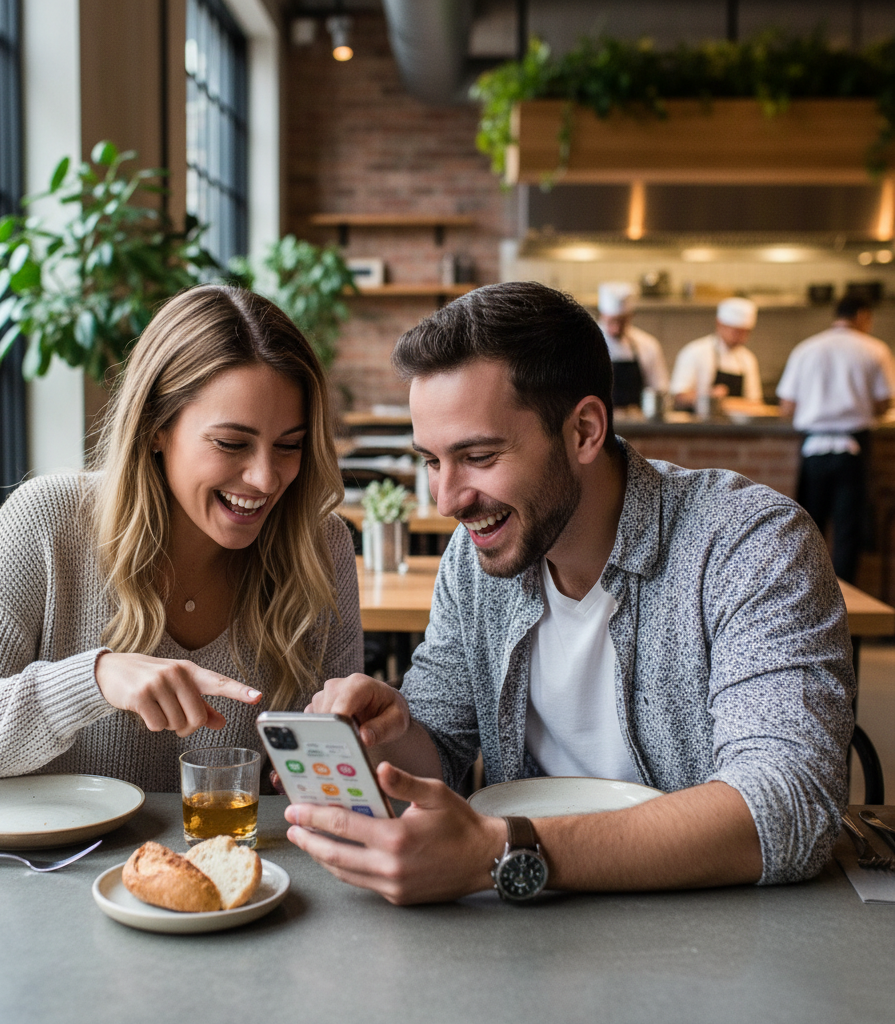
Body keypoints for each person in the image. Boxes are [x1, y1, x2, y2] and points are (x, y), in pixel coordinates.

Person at [285, 281, 853, 905]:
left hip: (710, 931)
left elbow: (789, 804)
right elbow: (438, 749)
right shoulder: (475, 560)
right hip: (530, 933)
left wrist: (502, 851)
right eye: (431, 460)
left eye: (477, 455)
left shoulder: (748, 545)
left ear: (584, 430)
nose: (447, 500)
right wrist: (389, 732)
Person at [0, 285, 363, 793]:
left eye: (289, 446)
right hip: (48, 871)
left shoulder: (320, 546)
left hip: (244, 868)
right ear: (157, 426)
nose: (267, 479)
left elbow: (331, 780)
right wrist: (92, 680)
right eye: (231, 443)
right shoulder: (49, 521)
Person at [776, 294, 895, 583]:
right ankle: (846, 603)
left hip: (813, 446)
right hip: (854, 446)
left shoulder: (806, 348)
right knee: (848, 530)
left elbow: (786, 407)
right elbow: (884, 402)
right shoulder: (874, 349)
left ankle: (808, 596)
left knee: (808, 527)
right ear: (863, 316)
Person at [670, 297, 762, 409]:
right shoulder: (695, 352)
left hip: (735, 426)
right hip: (698, 424)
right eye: (736, 332)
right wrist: (709, 397)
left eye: (745, 332)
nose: (741, 338)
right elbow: (679, 397)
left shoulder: (748, 359)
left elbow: (755, 402)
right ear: (719, 324)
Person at [596, 282, 669, 408]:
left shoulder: (647, 345)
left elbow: (661, 389)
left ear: (631, 316)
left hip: (636, 422)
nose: (616, 328)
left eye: (622, 322)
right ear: (602, 315)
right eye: (611, 321)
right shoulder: (585, 343)